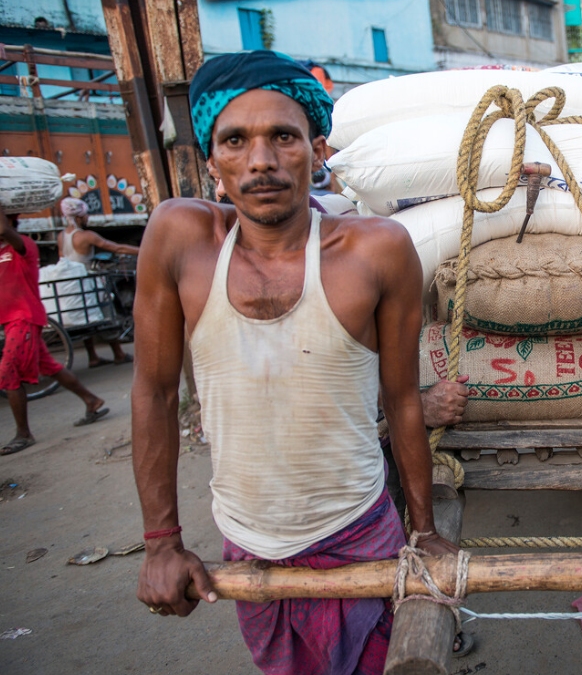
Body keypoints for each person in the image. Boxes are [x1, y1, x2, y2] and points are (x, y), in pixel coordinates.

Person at [131, 51, 457, 674]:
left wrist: (425, 530)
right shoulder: (181, 238)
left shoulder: (375, 249)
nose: (261, 160)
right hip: (248, 541)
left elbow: (402, 399)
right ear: (212, 160)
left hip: (360, 529)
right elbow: (151, 393)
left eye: (283, 136)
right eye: (235, 141)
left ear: (318, 148)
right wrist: (161, 543)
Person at [1, 212, 110, 455]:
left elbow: (4, 231)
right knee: (50, 367)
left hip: (24, 318)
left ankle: (23, 434)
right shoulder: (1, 253)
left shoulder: (22, 245)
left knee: (8, 373)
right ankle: (91, 401)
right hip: (11, 321)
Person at [56, 197, 138, 367]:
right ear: (78, 217)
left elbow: (62, 260)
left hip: (72, 283)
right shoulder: (86, 236)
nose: (88, 218)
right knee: (107, 313)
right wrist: (144, 249)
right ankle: (119, 353)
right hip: (89, 281)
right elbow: (116, 248)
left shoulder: (61, 236)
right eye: (86, 215)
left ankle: (93, 356)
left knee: (86, 317)